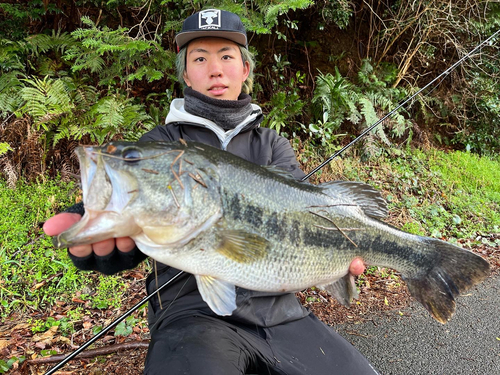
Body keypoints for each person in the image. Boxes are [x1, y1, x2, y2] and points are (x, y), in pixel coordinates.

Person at [43, 9, 378, 374]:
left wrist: (339, 258)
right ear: (185, 73)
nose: (215, 69)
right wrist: (99, 240)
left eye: (226, 56)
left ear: (245, 70)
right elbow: (139, 214)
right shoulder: (163, 143)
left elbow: (308, 215)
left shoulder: (271, 145)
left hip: (281, 312)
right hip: (191, 315)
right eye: (199, 58)